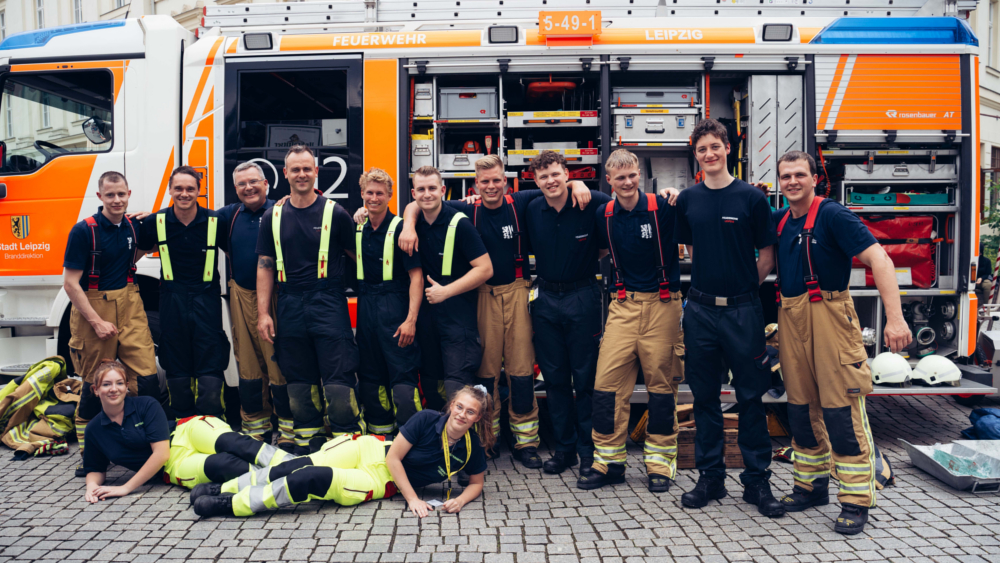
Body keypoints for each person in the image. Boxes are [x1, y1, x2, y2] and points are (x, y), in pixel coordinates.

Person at [386, 155, 590, 468]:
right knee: (486, 373)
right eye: (484, 182)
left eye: (496, 180)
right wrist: (409, 224)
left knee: (522, 371)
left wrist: (576, 182)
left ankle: (526, 443)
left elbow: (554, 187)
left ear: (505, 182)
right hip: (482, 296)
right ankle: (487, 440)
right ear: (475, 185)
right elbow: (421, 203)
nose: (491, 186)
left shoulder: (521, 201)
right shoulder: (467, 209)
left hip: (519, 292)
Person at [771, 150, 905, 534]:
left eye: (799, 174)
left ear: (815, 178)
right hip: (791, 317)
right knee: (799, 409)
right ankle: (811, 486)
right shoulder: (781, 221)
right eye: (785, 176)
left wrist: (895, 319)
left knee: (841, 411)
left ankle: (856, 500)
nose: (792, 182)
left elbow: (880, 259)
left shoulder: (832, 215)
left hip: (830, 315)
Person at [673, 119, 782, 517]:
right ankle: (711, 479)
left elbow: (767, 256)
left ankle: (756, 482)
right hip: (699, 310)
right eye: (701, 149)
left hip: (743, 312)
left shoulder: (751, 199)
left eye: (715, 146)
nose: (709, 154)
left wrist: (741, 291)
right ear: (696, 155)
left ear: (727, 149)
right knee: (704, 398)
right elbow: (686, 246)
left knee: (751, 397)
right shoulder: (688, 199)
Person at [188, 385, 492, 518]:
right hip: (369, 451)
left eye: (471, 412)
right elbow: (393, 457)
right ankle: (221, 489)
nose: (462, 414)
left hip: (380, 481)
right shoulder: (427, 418)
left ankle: (231, 506)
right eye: (460, 407)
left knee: (309, 479)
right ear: (452, 405)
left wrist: (460, 501)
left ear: (478, 418)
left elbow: (476, 483)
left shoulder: (470, 447)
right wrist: (413, 499)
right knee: (290, 467)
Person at [577, 149, 683, 493]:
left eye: (632, 175)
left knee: (662, 389)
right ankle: (608, 462)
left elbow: (696, 214)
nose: (627, 182)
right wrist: (576, 180)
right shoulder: (603, 213)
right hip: (622, 306)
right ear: (609, 181)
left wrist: (679, 194)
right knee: (606, 386)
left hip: (663, 305)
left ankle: (660, 464)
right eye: (619, 177)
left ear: (640, 175)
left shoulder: (662, 207)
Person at [256, 145, 361, 454]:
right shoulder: (272, 216)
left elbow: (358, 258)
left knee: (338, 376)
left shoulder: (336, 213)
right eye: (295, 169)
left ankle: (345, 440)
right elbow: (265, 266)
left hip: (328, 300)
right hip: (289, 303)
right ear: (285, 174)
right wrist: (264, 313)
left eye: (307, 168)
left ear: (316, 172)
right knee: (298, 378)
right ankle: (307, 441)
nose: (301, 174)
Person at [82, 359, 292, 503]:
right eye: (106, 384)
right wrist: (91, 486)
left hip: (186, 432)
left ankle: (295, 464)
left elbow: (160, 452)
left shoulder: (146, 404)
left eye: (119, 383)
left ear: (127, 386)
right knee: (225, 464)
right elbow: (96, 468)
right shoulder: (94, 430)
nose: (113, 389)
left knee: (235, 444)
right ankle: (287, 480)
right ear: (95, 389)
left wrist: (126, 487)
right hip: (172, 465)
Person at [63, 171, 160, 477]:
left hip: (129, 303)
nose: (117, 200)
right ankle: (90, 456)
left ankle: (132, 443)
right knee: (96, 385)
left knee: (145, 378)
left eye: (122, 194)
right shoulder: (83, 232)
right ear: (100, 197)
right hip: (94, 306)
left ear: (129, 194)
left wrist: (153, 217)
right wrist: (96, 321)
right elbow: (70, 283)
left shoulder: (132, 225)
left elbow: (137, 252)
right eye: (110, 195)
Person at [523, 150, 611, 474]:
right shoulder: (532, 209)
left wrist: (579, 185)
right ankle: (565, 450)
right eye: (543, 176)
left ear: (566, 173)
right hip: (545, 298)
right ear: (536, 180)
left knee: (585, 379)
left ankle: (588, 452)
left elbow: (622, 201)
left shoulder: (592, 202)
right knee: (555, 378)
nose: (550, 181)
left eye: (556, 174)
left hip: (583, 295)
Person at [138, 166, 231, 422]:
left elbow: (237, 254)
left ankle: (213, 425)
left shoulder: (216, 221)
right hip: (172, 300)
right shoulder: (155, 222)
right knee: (176, 364)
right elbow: (131, 256)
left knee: (211, 363)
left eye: (190, 188)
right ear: (170, 190)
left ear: (199, 192)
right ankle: (183, 426)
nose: (184, 193)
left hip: (206, 300)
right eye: (178, 188)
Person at [406, 166, 493, 410]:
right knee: (432, 388)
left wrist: (446, 291)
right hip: (427, 323)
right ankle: (437, 443)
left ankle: (463, 445)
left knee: (459, 390)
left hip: (457, 322)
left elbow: (485, 269)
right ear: (413, 193)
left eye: (432, 188)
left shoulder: (460, 224)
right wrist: (407, 225)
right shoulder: (412, 225)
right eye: (421, 189)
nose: (427, 194)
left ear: (443, 190)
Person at [214, 162, 289, 445]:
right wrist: (147, 216)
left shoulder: (283, 209)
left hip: (279, 296)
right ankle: (254, 427)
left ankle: (287, 429)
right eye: (242, 184)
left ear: (266, 183)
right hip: (242, 294)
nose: (248, 188)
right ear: (235, 189)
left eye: (254, 182)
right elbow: (190, 216)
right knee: (248, 365)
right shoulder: (228, 216)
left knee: (279, 363)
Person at [353, 167, 424, 435]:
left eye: (379, 193)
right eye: (369, 193)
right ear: (362, 194)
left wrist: (410, 320)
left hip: (394, 307)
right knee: (371, 377)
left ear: (390, 195)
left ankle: (411, 435)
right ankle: (380, 437)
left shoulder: (402, 230)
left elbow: (416, 277)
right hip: (366, 308)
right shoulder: (358, 227)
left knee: (402, 376)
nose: (374, 198)